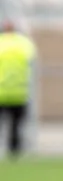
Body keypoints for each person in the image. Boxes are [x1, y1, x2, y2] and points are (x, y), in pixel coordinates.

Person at [0, 20, 36, 158]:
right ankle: (14, 154)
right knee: (15, 127)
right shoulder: (23, 43)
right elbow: (32, 56)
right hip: (19, 92)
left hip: (1, 92)